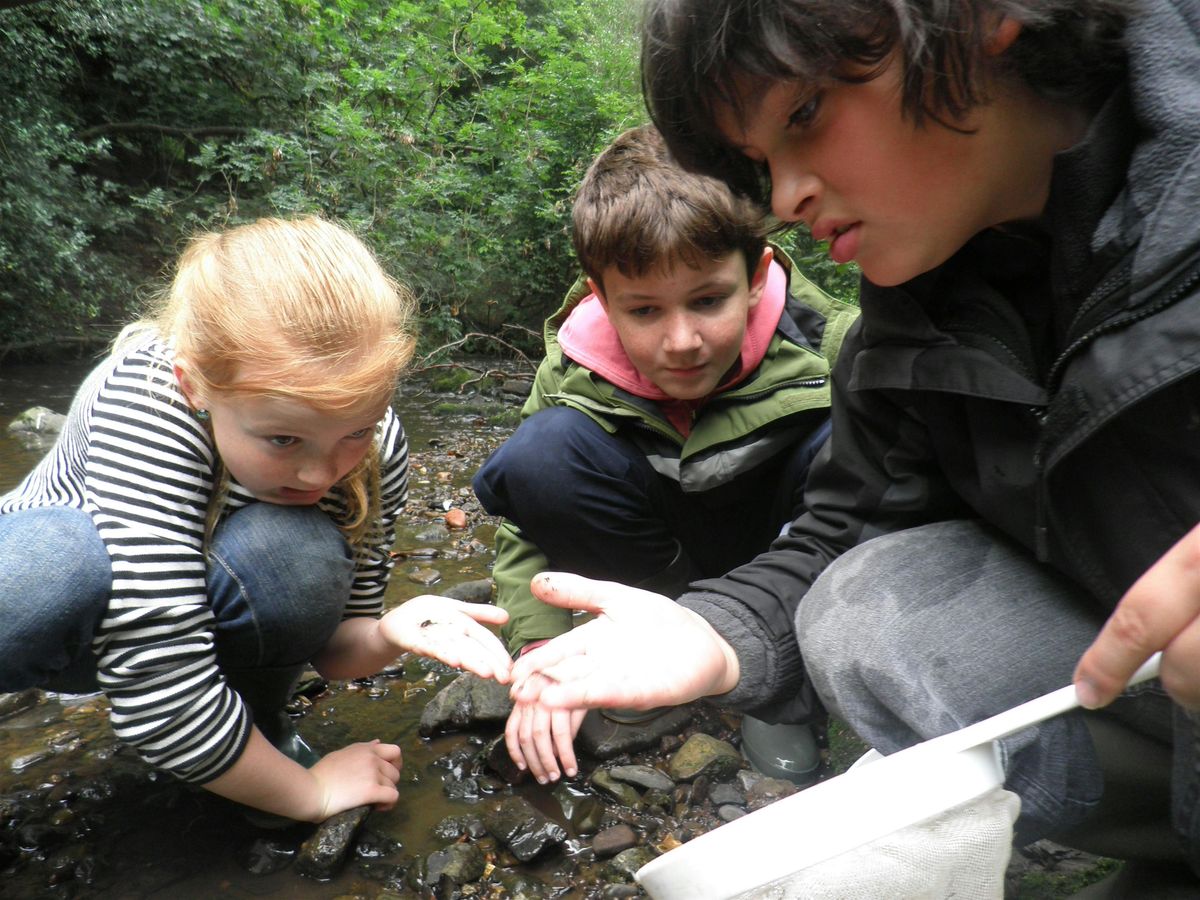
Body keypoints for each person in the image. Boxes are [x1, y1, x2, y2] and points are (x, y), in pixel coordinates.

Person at [509, 0, 1200, 889]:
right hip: (1147, 680)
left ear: (983, 19)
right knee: (863, 607)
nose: (787, 199)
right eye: (760, 164)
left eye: (805, 114)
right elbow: (852, 529)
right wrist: (716, 636)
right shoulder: (912, 316)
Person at [0, 215, 513, 824]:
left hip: (177, 616)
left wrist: (388, 631)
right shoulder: (149, 397)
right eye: (283, 439)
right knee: (60, 565)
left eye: (355, 431)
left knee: (291, 553)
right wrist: (310, 794)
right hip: (47, 615)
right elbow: (158, 683)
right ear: (195, 387)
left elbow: (333, 648)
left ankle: (248, 735)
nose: (321, 474)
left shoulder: (377, 441)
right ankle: (235, 758)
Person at [472, 124, 859, 784]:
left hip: (784, 561)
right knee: (542, 456)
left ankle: (769, 674)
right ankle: (652, 643)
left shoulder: (839, 347)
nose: (682, 341)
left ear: (758, 274)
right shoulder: (571, 369)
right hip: (658, 565)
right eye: (645, 310)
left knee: (846, 444)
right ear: (600, 295)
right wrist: (540, 649)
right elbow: (523, 528)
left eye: (708, 300)